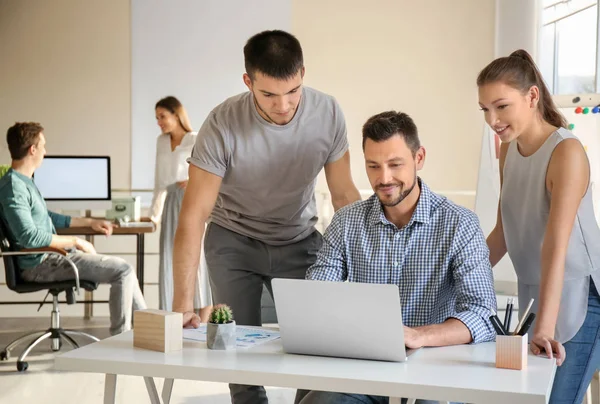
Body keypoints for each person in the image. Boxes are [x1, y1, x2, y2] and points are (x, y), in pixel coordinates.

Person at [172, 30, 361, 404]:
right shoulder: (222, 123)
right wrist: (182, 303)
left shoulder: (328, 112)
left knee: (314, 347)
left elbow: (344, 197)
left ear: (303, 73)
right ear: (248, 82)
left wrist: (364, 273)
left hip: (299, 239)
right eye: (269, 95)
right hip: (232, 241)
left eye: (293, 91)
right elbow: (194, 216)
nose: (284, 105)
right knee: (236, 350)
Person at [296, 111, 497, 404]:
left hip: (436, 370)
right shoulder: (346, 222)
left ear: (419, 158)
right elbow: (317, 294)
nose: (384, 178)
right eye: (373, 166)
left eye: (395, 164)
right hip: (366, 371)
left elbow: (482, 313)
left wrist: (419, 336)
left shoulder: (460, 224)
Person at [479, 49, 600, 403]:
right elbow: (503, 233)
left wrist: (545, 328)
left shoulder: (567, 153)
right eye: (485, 109)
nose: (492, 119)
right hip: (535, 291)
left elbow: (556, 245)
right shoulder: (507, 150)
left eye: (501, 106)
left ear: (532, 97)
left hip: (580, 294)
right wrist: (455, 276)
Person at [0, 122, 147, 335]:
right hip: (42, 264)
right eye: (43, 145)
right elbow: (29, 236)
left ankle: (149, 331)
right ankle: (121, 340)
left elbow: (48, 217)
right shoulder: (14, 187)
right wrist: (77, 241)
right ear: (32, 149)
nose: (45, 151)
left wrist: (89, 222)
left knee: (125, 269)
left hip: (52, 258)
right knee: (122, 270)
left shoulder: (24, 182)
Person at [150, 96, 212, 319]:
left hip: (192, 199)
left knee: (198, 260)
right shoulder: (161, 141)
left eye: (163, 116)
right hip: (170, 202)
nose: (160, 121)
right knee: (170, 257)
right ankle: (174, 318)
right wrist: (153, 215)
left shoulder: (194, 139)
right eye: (157, 118)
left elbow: (208, 172)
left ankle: (203, 322)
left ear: (177, 115)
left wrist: (193, 181)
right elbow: (159, 181)